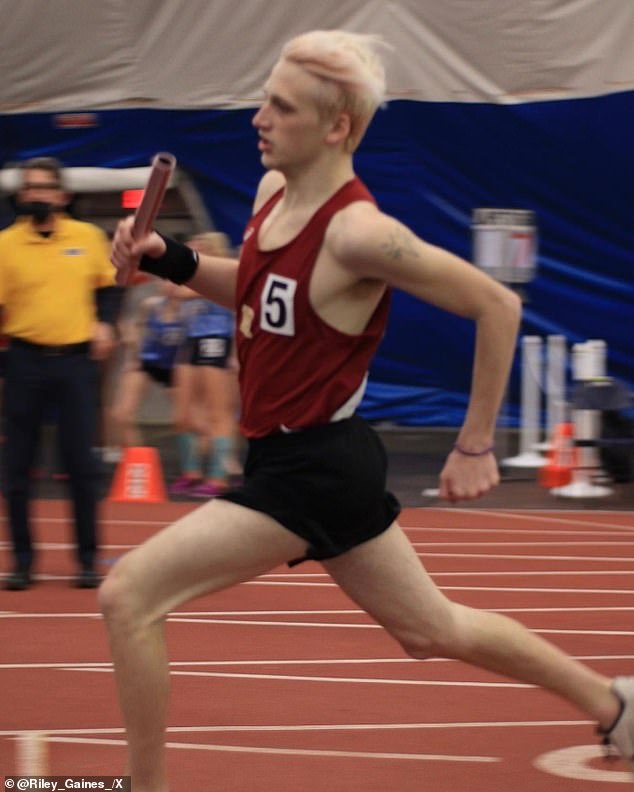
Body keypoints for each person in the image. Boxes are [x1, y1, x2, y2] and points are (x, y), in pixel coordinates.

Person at [101, 30, 633, 790]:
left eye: (281, 107)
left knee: (129, 596)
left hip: (315, 467)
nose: (258, 118)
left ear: (337, 125)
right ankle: (613, 703)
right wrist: (171, 259)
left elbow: (496, 305)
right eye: (264, 98)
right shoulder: (271, 194)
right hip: (298, 460)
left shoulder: (360, 234)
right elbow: (255, 293)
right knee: (432, 629)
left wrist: (476, 442)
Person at [0, 156, 118, 590]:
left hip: (75, 363)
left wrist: (106, 321)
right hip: (24, 361)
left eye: (44, 187)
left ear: (62, 195)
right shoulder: (5, 244)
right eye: (29, 188)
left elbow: (106, 289)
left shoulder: (87, 238)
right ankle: (22, 563)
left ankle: (87, 559)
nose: (36, 195)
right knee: (16, 467)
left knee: (81, 465)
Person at [168, 232, 241, 498]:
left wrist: (235, 355)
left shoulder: (219, 277)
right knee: (183, 414)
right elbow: (171, 292)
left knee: (218, 412)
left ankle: (219, 476)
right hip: (190, 340)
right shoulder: (188, 277)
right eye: (191, 248)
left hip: (215, 339)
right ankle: (192, 472)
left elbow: (179, 292)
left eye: (199, 248)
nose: (192, 252)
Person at [109, 278, 185, 450]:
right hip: (148, 361)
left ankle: (208, 460)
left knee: (186, 419)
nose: (169, 285)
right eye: (165, 281)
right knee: (121, 413)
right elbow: (136, 328)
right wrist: (134, 355)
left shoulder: (190, 309)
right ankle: (138, 458)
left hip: (176, 367)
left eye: (173, 281)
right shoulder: (150, 305)